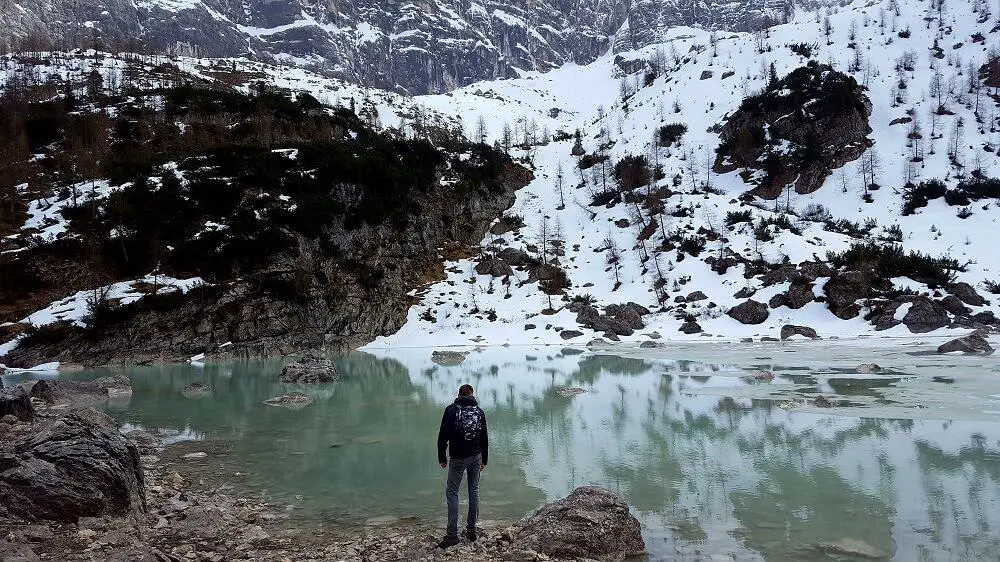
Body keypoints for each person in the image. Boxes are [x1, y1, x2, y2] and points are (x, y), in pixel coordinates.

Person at [436, 383, 489, 549]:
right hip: (476, 456)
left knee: (452, 492)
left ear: (458, 394)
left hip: (458, 458)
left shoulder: (451, 410)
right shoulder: (479, 412)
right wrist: (484, 460)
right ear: (472, 395)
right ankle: (471, 530)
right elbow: (484, 438)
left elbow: (442, 437)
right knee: (474, 491)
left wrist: (442, 458)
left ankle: (452, 535)